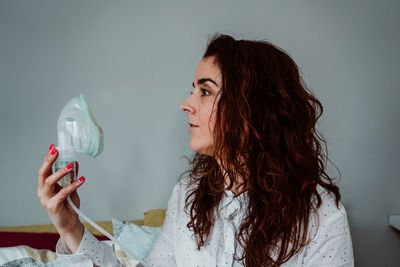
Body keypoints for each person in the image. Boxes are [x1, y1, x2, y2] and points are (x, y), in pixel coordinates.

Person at [37, 34, 354, 266]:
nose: (186, 104)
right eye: (192, 90)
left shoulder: (322, 216)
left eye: (205, 91)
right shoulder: (188, 198)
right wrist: (71, 227)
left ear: (252, 107)